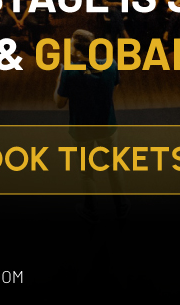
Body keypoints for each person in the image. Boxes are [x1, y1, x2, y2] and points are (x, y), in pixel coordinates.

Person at [53, 30, 129, 222]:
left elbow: (59, 103)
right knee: (113, 167)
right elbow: (114, 88)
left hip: (82, 130)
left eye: (71, 44)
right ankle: (121, 207)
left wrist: (59, 79)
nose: (69, 47)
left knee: (87, 172)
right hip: (107, 126)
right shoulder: (111, 64)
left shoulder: (69, 71)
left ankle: (90, 210)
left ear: (78, 52)